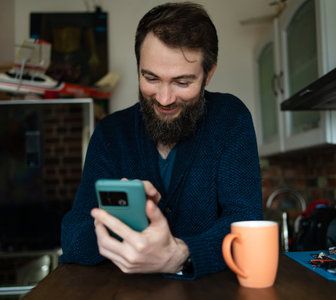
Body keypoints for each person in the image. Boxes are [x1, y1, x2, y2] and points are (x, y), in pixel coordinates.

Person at [60, 2, 263, 279]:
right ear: (139, 67)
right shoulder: (110, 133)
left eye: (182, 82)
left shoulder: (231, 119)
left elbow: (246, 224)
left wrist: (180, 253)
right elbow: (72, 238)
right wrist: (121, 215)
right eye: (151, 78)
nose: (164, 99)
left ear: (209, 74)